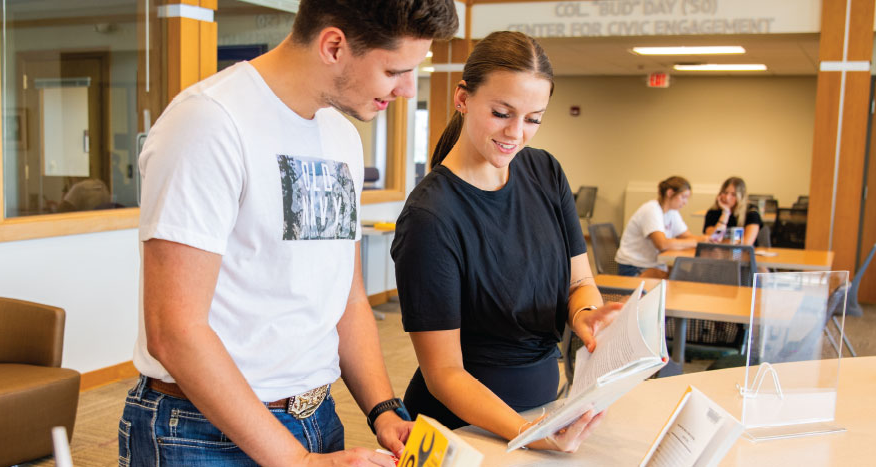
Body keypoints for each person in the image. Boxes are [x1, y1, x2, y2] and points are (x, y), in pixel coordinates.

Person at [122, 1, 459, 466]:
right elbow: (174, 331)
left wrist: (383, 410)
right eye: (394, 71)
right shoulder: (209, 123)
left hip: (317, 417)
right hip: (201, 432)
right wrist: (298, 462)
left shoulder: (342, 136)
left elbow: (347, 297)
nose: (405, 90)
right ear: (334, 46)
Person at [390, 31, 616, 453]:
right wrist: (528, 434)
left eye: (533, 119)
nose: (516, 133)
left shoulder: (545, 171)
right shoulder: (431, 217)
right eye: (501, 113)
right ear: (463, 98)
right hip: (464, 430)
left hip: (544, 410)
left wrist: (585, 314)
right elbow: (444, 374)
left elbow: (577, 282)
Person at [615, 176, 698, 278]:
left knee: (686, 278)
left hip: (654, 265)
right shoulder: (651, 210)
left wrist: (706, 240)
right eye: (683, 197)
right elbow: (662, 244)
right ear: (670, 193)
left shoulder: (672, 212)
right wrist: (694, 243)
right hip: (634, 268)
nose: (685, 202)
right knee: (681, 282)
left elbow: (687, 236)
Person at [702, 176, 761, 246]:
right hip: (717, 253)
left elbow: (746, 243)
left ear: (741, 196)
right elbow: (712, 239)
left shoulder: (751, 212)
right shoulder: (713, 212)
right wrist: (725, 213)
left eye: (733, 194)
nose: (727, 198)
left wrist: (722, 242)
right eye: (725, 193)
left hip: (744, 254)